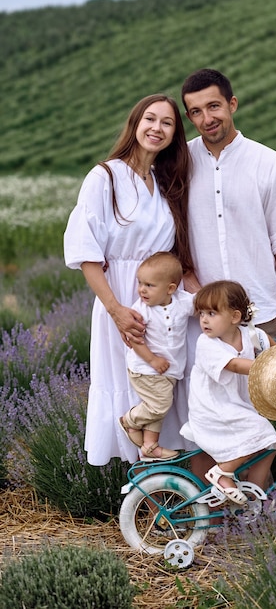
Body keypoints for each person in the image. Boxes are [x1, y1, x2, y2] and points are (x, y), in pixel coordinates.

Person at [181, 68, 276, 484]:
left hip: (268, 310)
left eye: (214, 106)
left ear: (232, 104)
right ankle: (214, 510)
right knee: (214, 416)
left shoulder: (269, 163)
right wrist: (190, 277)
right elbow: (173, 231)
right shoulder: (181, 163)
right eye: (196, 111)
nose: (207, 119)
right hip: (211, 322)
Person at [64, 94, 194, 466]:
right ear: (135, 124)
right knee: (128, 380)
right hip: (120, 294)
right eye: (150, 119)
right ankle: (137, 483)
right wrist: (117, 310)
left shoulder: (163, 182)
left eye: (167, 123)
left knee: (164, 381)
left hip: (162, 303)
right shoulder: (105, 176)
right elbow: (86, 252)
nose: (157, 128)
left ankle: (161, 484)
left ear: (174, 134)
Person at [180, 280, 276, 504]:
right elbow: (234, 365)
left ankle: (253, 497)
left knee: (270, 443)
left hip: (237, 408)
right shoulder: (206, 343)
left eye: (212, 313)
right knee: (261, 429)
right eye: (202, 313)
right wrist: (270, 367)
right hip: (213, 410)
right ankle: (221, 472)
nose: (204, 319)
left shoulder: (253, 336)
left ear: (235, 317)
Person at [118, 252, 194, 462]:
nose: (141, 289)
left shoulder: (182, 302)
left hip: (169, 371)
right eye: (140, 283)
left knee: (158, 406)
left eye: (149, 285)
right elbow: (135, 341)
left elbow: (202, 304)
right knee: (159, 404)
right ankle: (130, 420)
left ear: (170, 289)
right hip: (146, 369)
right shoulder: (141, 310)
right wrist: (152, 359)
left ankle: (150, 446)